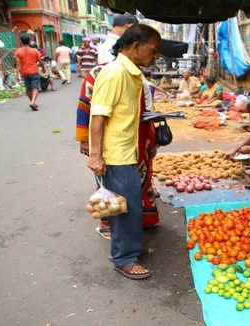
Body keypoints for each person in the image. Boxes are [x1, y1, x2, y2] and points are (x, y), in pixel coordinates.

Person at [86, 24, 161, 279]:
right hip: (115, 154)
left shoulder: (133, 73)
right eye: (154, 50)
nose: (156, 56)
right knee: (121, 210)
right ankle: (123, 259)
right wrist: (95, 155)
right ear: (136, 46)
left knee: (129, 207)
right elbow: (98, 116)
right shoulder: (114, 73)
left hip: (128, 151)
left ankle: (128, 247)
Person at [14, 35, 45, 111]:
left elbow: (18, 64)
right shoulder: (35, 50)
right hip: (34, 71)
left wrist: (16, 75)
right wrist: (44, 69)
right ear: (29, 42)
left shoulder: (17, 52)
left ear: (21, 41)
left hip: (24, 72)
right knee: (35, 87)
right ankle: (32, 101)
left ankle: (32, 101)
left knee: (28, 88)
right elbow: (40, 61)